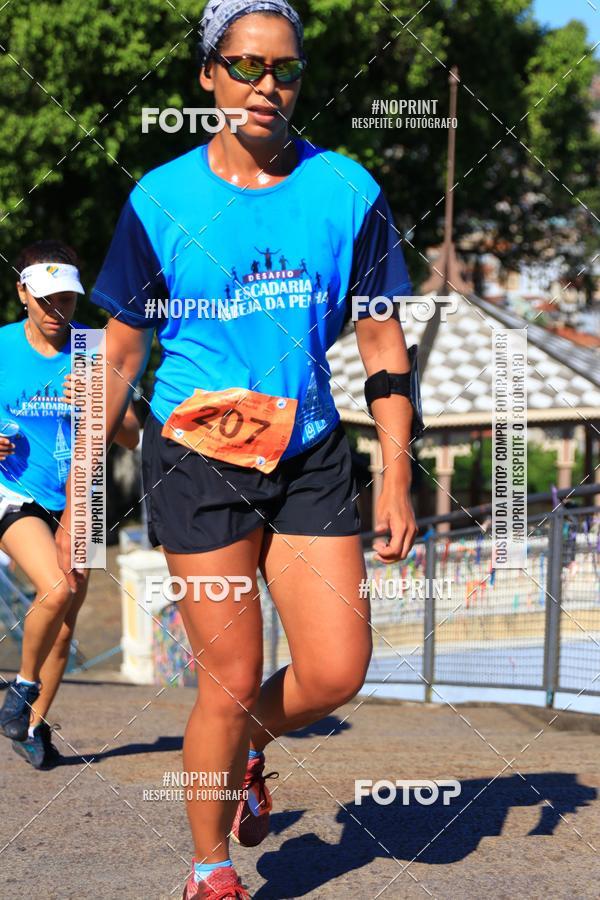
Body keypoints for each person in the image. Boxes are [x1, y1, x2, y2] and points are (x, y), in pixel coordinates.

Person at [57, 1, 418, 895]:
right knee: (230, 676)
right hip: (198, 459)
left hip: (311, 452)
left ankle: (244, 750)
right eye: (247, 66)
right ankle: (210, 869)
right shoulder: (161, 200)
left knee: (336, 670)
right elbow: (120, 355)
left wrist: (397, 475)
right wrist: (78, 498)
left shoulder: (347, 190)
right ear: (209, 75)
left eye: (284, 69)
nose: (266, 86)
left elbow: (382, 340)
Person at [0, 240, 139, 770]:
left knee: (64, 618)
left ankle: (32, 725)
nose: (58, 311)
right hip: (16, 490)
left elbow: (130, 434)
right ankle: (22, 687)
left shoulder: (94, 348)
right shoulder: (2, 347)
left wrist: (98, 401)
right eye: (46, 300)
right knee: (55, 587)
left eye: (67, 299)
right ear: (22, 292)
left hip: (85, 495)